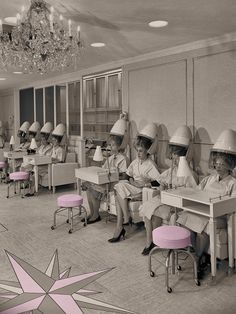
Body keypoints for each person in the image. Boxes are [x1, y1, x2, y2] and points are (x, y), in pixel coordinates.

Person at [176, 129, 236, 277]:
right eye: (217, 163)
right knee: (184, 218)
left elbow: (232, 205)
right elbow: (196, 192)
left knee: (204, 227)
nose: (218, 166)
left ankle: (197, 258)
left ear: (230, 164)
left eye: (222, 164)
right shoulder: (209, 179)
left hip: (221, 217)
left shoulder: (233, 183)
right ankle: (200, 256)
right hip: (203, 211)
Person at [139, 125, 197, 255]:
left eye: (178, 155)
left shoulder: (190, 175)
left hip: (180, 206)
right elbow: (159, 182)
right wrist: (156, 185)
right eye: (174, 154)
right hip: (165, 201)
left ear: (185, 155)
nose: (174, 158)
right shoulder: (170, 171)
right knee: (148, 207)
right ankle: (150, 241)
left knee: (157, 212)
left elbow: (193, 195)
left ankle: (165, 244)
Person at [108, 123, 160, 243]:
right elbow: (127, 174)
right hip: (133, 186)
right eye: (138, 151)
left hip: (142, 190)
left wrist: (144, 185)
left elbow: (158, 181)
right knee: (118, 189)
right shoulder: (136, 162)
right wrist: (131, 181)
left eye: (141, 151)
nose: (138, 154)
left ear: (148, 151)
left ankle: (122, 225)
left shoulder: (150, 165)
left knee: (117, 189)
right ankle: (124, 221)